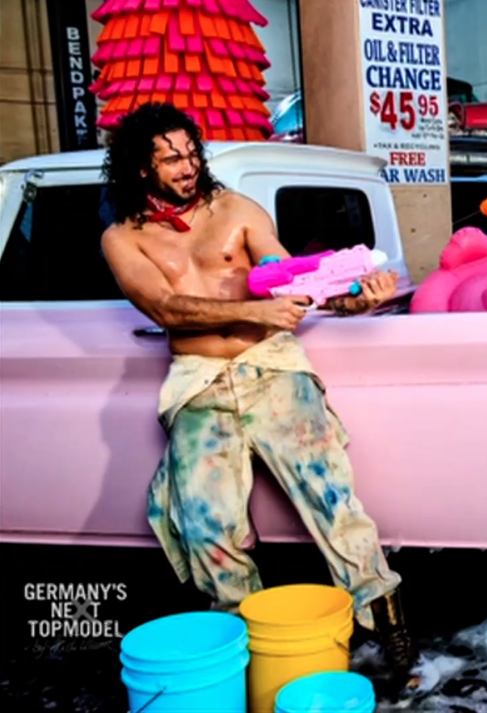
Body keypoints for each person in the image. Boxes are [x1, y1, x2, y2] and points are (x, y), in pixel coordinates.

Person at [99, 102, 418, 688]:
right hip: (198, 380)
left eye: (191, 153)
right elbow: (164, 308)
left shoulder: (237, 211)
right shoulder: (122, 238)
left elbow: (292, 280)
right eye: (170, 159)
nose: (187, 166)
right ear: (141, 168)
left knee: (333, 500)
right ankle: (246, 649)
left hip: (272, 367)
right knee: (204, 524)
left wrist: (354, 298)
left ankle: (389, 629)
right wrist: (255, 310)